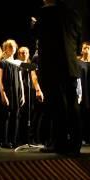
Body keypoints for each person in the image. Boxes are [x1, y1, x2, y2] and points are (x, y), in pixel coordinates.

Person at [34, 0, 83, 155]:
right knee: (73, 105)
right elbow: (78, 42)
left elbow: (41, 35)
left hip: (54, 66)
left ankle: (60, 144)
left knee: (58, 106)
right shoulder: (75, 13)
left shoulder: (46, 12)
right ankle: (75, 144)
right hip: (71, 66)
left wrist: (35, 25)